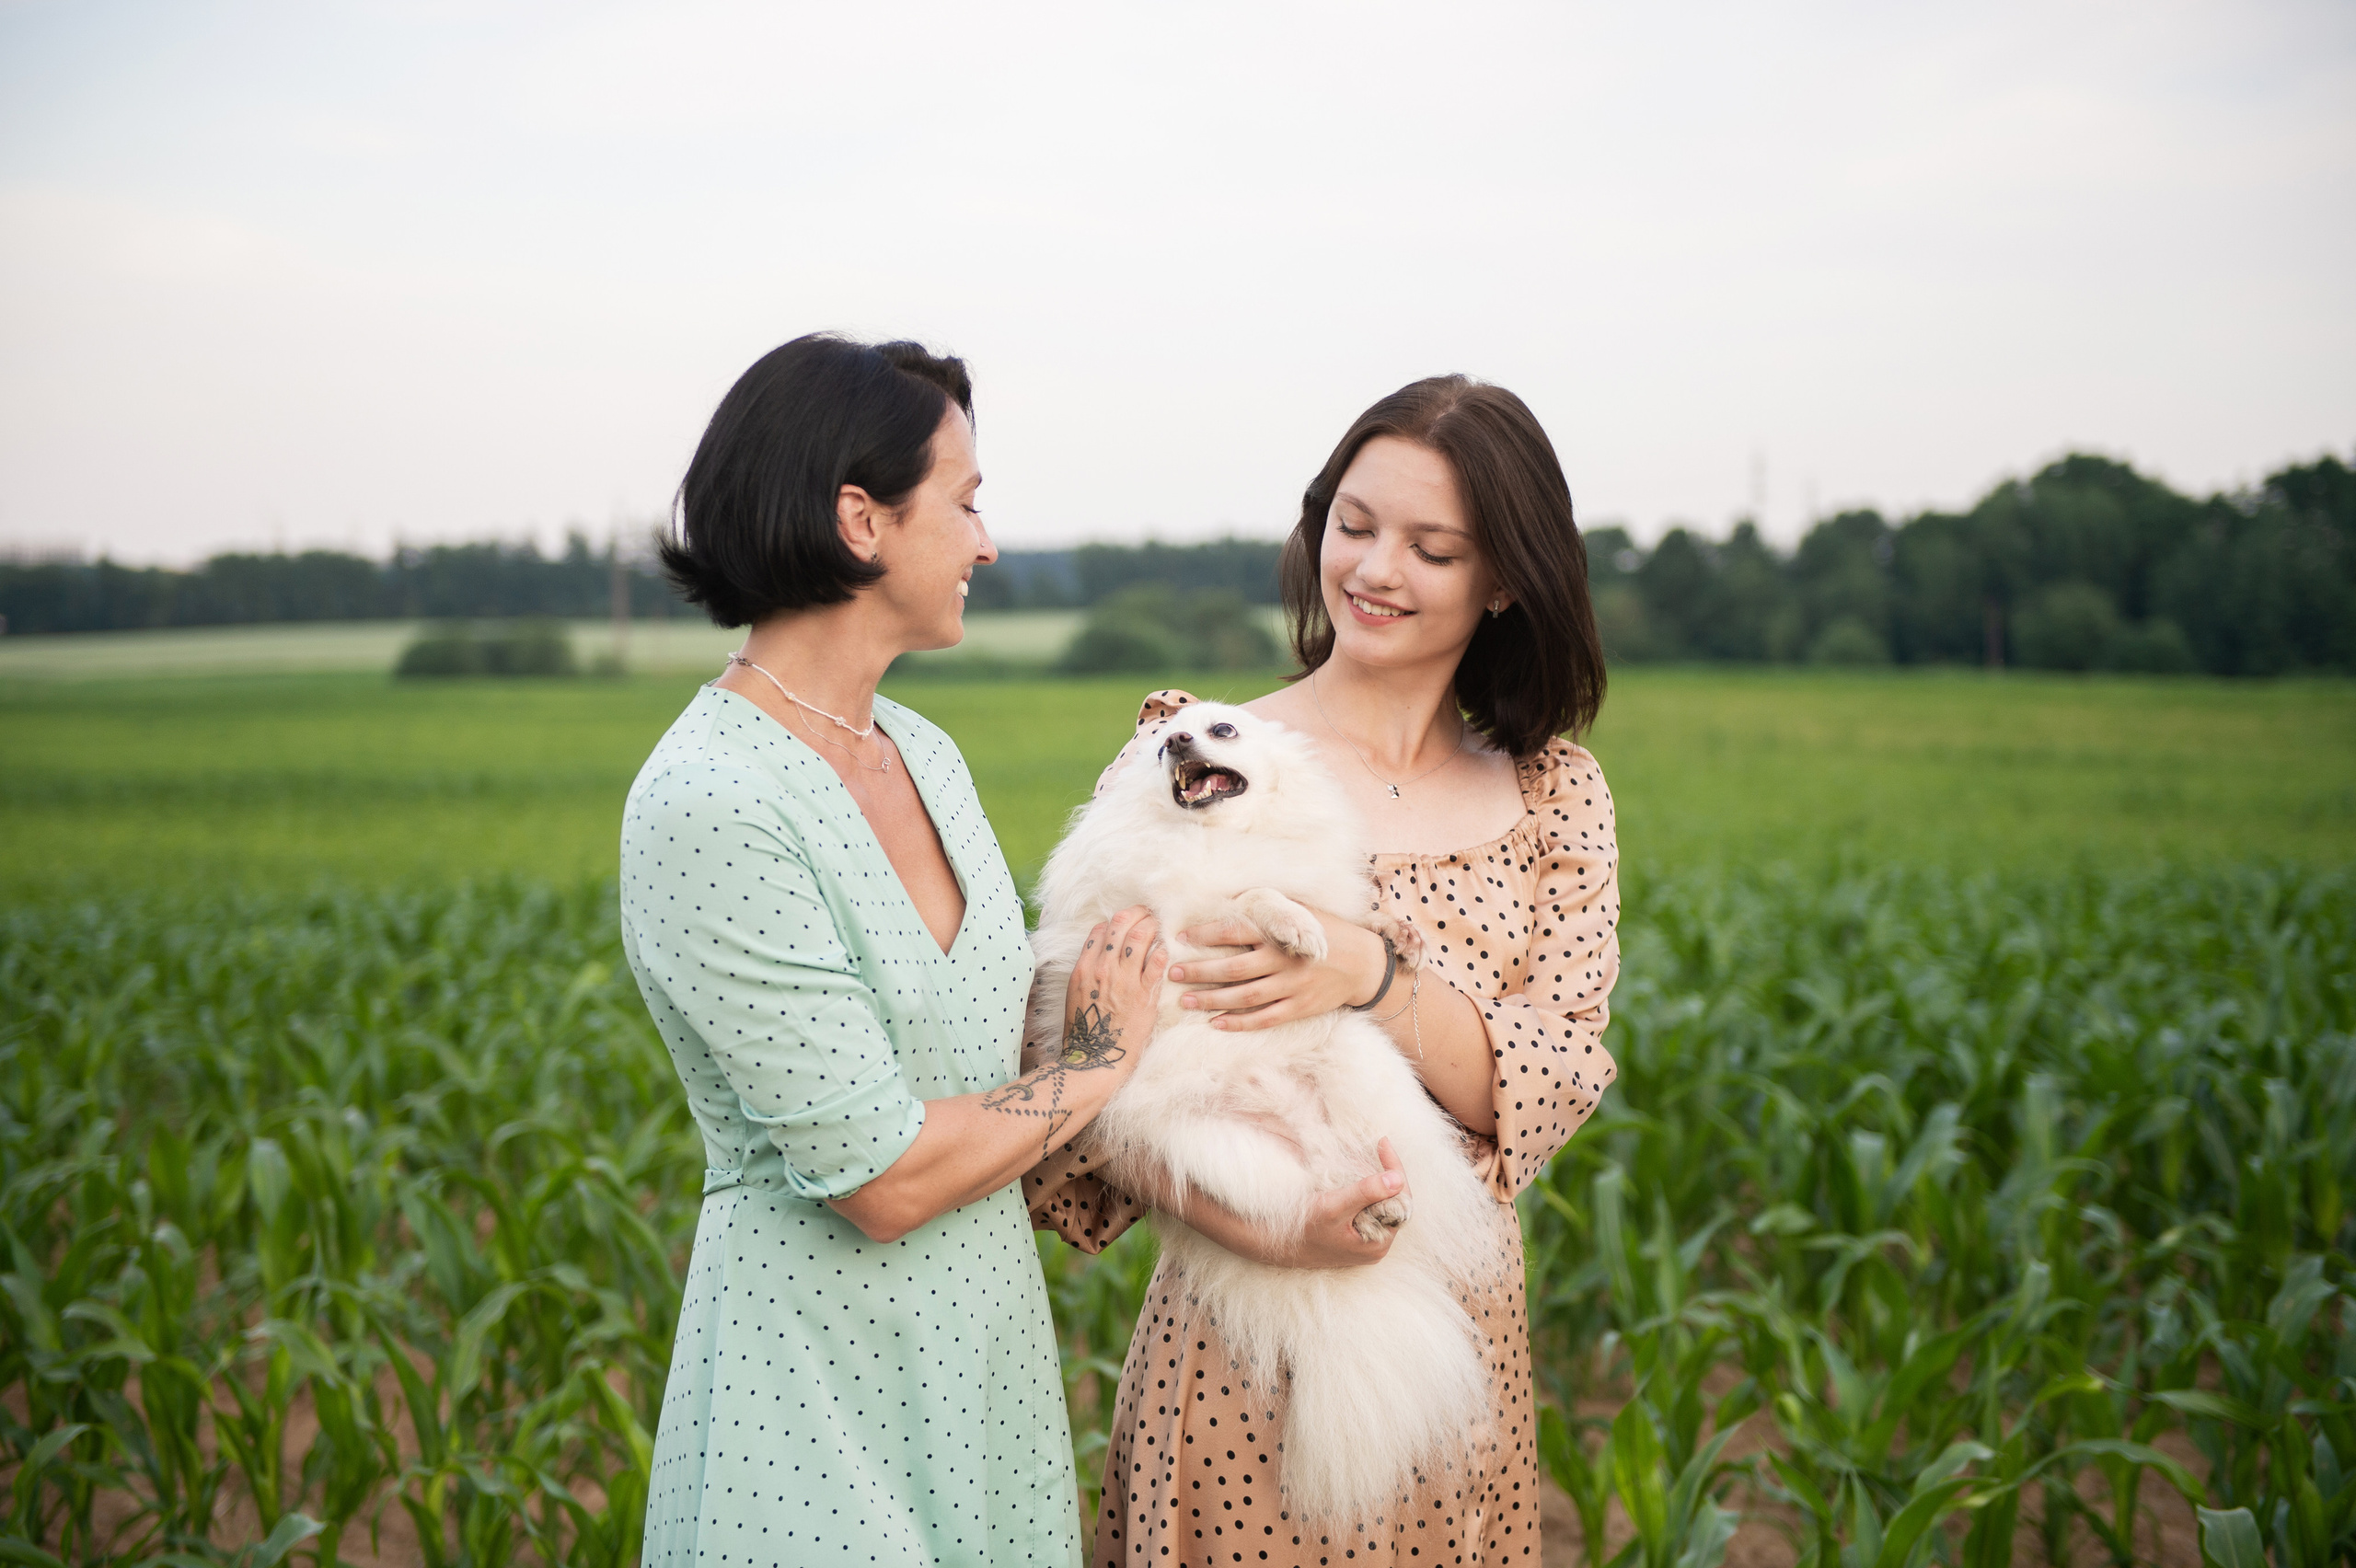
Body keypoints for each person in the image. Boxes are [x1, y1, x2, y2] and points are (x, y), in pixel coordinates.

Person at [1026, 375, 1621, 1566]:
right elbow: (1076, 1093)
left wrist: (1369, 975)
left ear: (1505, 579)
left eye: (1432, 547)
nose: (1374, 570)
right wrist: (1275, 1227)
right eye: (1352, 525)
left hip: (1459, 1347)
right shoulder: (1191, 755)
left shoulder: (1558, 795)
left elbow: (1549, 1078)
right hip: (1245, 1350)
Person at [620, 332, 1168, 1568]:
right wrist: (1096, 1063)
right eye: (966, 502)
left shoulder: (921, 750)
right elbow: (881, 1179)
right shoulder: (712, 798)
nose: (987, 542)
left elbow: (1001, 1023)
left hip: (984, 1371)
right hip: (813, 1393)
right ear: (860, 520)